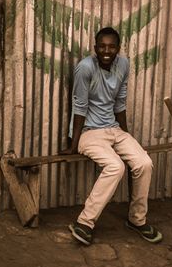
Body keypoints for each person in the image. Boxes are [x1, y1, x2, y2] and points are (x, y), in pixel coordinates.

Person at [62, 26, 162, 246]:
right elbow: (79, 106)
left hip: (114, 128)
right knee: (116, 167)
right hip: (89, 132)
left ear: (118, 48)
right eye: (102, 46)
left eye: (111, 46)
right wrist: (73, 143)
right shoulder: (85, 68)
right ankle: (85, 223)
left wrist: (125, 135)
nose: (106, 51)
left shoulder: (124, 65)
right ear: (95, 47)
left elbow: (120, 101)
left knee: (144, 162)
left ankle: (137, 220)